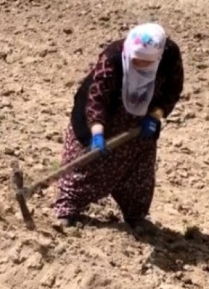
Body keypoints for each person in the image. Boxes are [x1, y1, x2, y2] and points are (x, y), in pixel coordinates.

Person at [53, 22, 184, 228]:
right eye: (136, 60)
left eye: (146, 62)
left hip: (140, 123)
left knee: (138, 169)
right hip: (101, 117)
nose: (139, 65)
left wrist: (155, 116)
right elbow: (96, 100)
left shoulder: (169, 55)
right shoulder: (113, 57)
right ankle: (67, 209)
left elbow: (172, 91)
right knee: (85, 164)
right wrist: (97, 133)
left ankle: (136, 216)